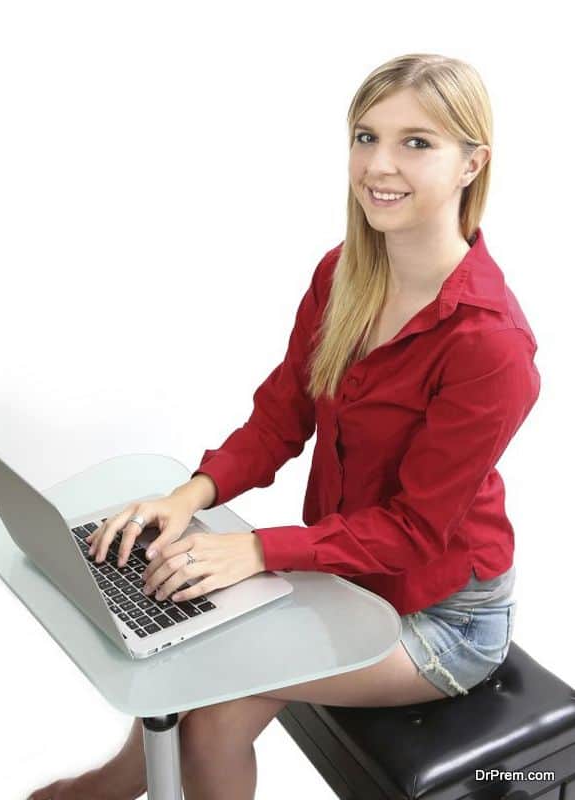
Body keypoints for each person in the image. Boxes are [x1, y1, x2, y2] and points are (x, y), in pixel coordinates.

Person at [28, 52, 540, 800]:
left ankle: (99, 792)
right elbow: (282, 416)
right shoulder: (345, 275)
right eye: (366, 136)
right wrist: (191, 497)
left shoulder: (489, 344)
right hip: (348, 575)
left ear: (472, 163)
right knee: (179, 640)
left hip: (442, 616)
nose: (378, 164)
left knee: (214, 713)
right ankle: (106, 787)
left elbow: (413, 532)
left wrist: (260, 552)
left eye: (416, 142)